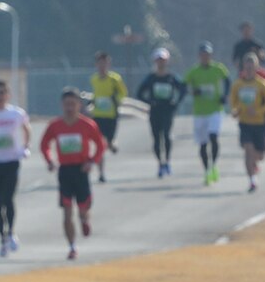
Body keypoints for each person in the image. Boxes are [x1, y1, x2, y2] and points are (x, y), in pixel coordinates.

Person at [40, 88, 106, 259]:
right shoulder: (55, 125)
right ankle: (72, 246)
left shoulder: (87, 125)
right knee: (67, 211)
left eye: (73, 104)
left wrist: (92, 161)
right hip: (65, 171)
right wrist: (49, 160)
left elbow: (100, 144)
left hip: (81, 169)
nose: (69, 107)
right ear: (62, 105)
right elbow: (44, 144)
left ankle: (84, 220)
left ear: (79, 105)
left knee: (83, 208)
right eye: (66, 104)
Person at [0, 79, 29, 256]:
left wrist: (26, 146)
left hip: (11, 161)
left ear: (8, 95)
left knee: (8, 199)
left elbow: (26, 128)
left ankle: (11, 232)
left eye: (2, 93)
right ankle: (2, 237)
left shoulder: (16, 113)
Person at [132, 47, 186, 177]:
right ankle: (160, 163)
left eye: (163, 60)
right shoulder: (151, 78)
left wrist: (176, 102)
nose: (161, 63)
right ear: (155, 62)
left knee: (166, 136)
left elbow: (183, 89)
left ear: (167, 61)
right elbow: (139, 93)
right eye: (158, 60)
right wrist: (149, 101)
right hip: (155, 111)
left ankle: (167, 161)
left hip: (167, 111)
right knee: (156, 139)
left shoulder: (172, 77)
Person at [185, 42, 231, 185]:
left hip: (215, 109)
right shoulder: (194, 71)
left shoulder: (218, 69)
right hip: (199, 112)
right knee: (203, 144)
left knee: (214, 136)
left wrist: (225, 96)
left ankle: (214, 165)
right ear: (199, 56)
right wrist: (193, 91)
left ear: (211, 55)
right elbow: (184, 85)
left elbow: (228, 81)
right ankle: (207, 170)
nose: (205, 57)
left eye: (208, 54)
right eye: (203, 55)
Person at [230, 51, 265, 192]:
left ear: (256, 68)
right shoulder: (237, 84)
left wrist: (258, 111)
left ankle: (264, 146)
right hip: (245, 123)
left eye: (252, 67)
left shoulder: (262, 84)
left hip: (259, 122)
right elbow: (233, 102)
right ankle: (252, 180)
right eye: (247, 67)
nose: (249, 69)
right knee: (248, 150)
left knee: (260, 155)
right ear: (243, 67)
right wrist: (236, 110)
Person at [87, 50, 128, 181]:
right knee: (100, 145)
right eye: (100, 63)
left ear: (108, 64)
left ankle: (112, 144)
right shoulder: (94, 79)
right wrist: (92, 103)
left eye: (105, 63)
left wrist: (116, 99)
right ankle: (101, 173)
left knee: (108, 143)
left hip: (111, 115)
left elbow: (123, 93)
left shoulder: (115, 79)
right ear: (96, 64)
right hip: (98, 116)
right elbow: (96, 94)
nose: (102, 66)